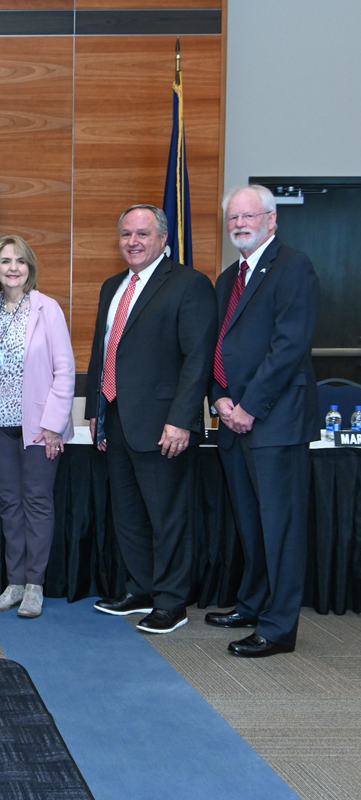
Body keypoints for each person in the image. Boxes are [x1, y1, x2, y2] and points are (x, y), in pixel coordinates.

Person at [85, 204, 216, 634]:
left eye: (143, 234)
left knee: (168, 517)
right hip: (118, 418)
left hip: (164, 425)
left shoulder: (189, 284)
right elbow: (103, 350)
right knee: (128, 514)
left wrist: (181, 419)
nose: (133, 242)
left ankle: (171, 601)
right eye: (126, 234)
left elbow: (198, 359)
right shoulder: (112, 287)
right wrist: (95, 412)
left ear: (164, 239)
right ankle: (139, 589)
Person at [206, 185, 319, 657]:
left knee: (280, 529)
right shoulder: (229, 276)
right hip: (233, 419)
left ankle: (277, 628)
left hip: (274, 421)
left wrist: (249, 406)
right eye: (233, 218)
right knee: (250, 525)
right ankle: (252, 602)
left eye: (248, 216)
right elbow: (219, 348)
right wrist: (220, 399)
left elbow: (289, 346)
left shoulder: (293, 266)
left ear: (272, 220)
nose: (239, 224)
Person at [0, 235, 75, 619]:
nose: (12, 267)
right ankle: (14, 583)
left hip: (36, 427)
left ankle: (35, 585)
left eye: (19, 261)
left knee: (37, 503)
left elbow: (64, 371)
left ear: (29, 267)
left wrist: (53, 426)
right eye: (4, 261)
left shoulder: (47, 309)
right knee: (9, 506)